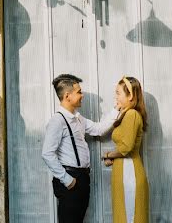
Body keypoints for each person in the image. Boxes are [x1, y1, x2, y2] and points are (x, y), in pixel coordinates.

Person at [41, 73, 116, 223]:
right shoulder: (58, 121)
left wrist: (117, 110)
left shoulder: (78, 118)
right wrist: (67, 179)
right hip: (70, 180)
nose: (82, 95)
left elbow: (98, 129)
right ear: (68, 95)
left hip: (82, 179)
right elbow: (47, 153)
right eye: (79, 92)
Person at [102, 76, 150, 223]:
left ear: (130, 96)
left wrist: (109, 154)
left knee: (130, 217)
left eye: (118, 93)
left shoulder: (132, 114)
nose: (115, 96)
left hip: (129, 174)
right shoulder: (126, 114)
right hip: (124, 171)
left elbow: (127, 147)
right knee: (124, 215)